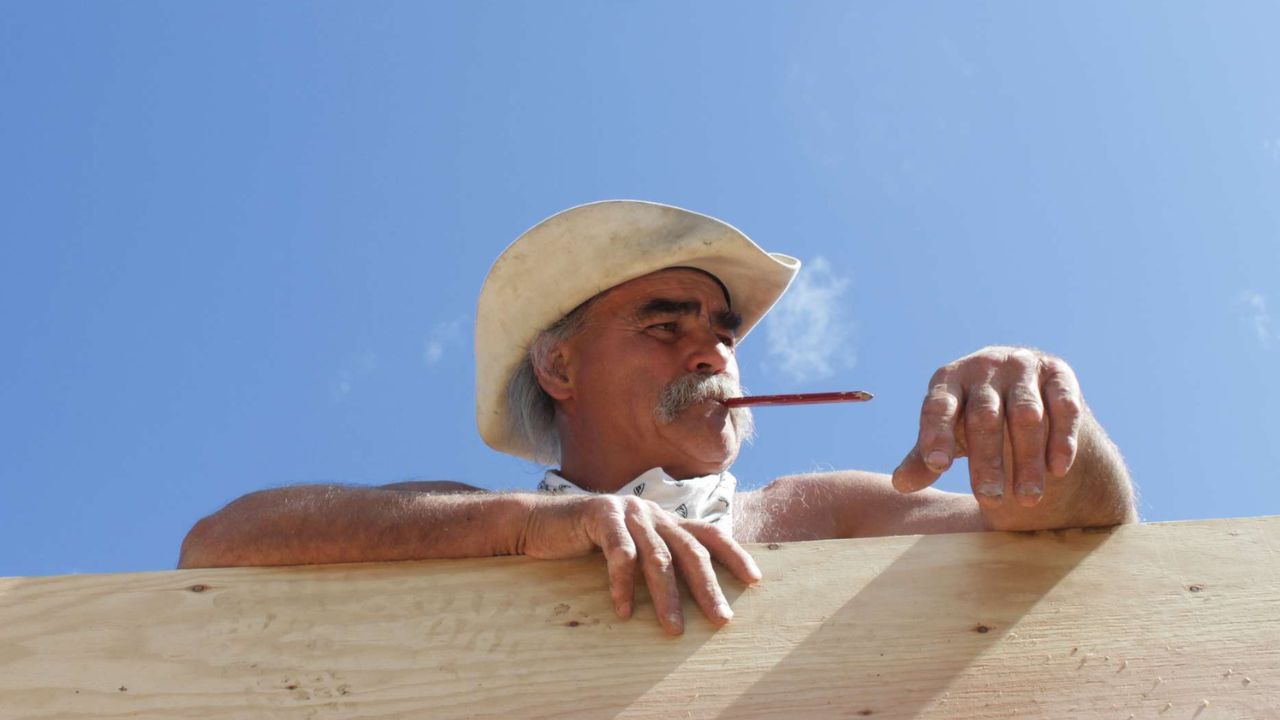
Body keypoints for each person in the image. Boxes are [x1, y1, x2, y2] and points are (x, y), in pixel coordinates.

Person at [179, 200, 1136, 635]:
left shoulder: (810, 513)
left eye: (722, 331)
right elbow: (219, 546)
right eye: (663, 323)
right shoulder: (473, 525)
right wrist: (523, 529)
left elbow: (1073, 529)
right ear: (559, 364)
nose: (713, 351)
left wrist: (1039, 411)